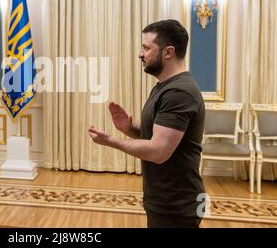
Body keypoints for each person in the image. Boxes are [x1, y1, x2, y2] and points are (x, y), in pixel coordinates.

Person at [88, 19, 206, 228]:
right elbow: (158, 134)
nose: (140, 54)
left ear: (168, 52)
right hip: (165, 200)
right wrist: (129, 128)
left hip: (177, 205)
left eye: (145, 48)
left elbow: (158, 151)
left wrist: (112, 141)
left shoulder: (178, 92)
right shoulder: (165, 86)